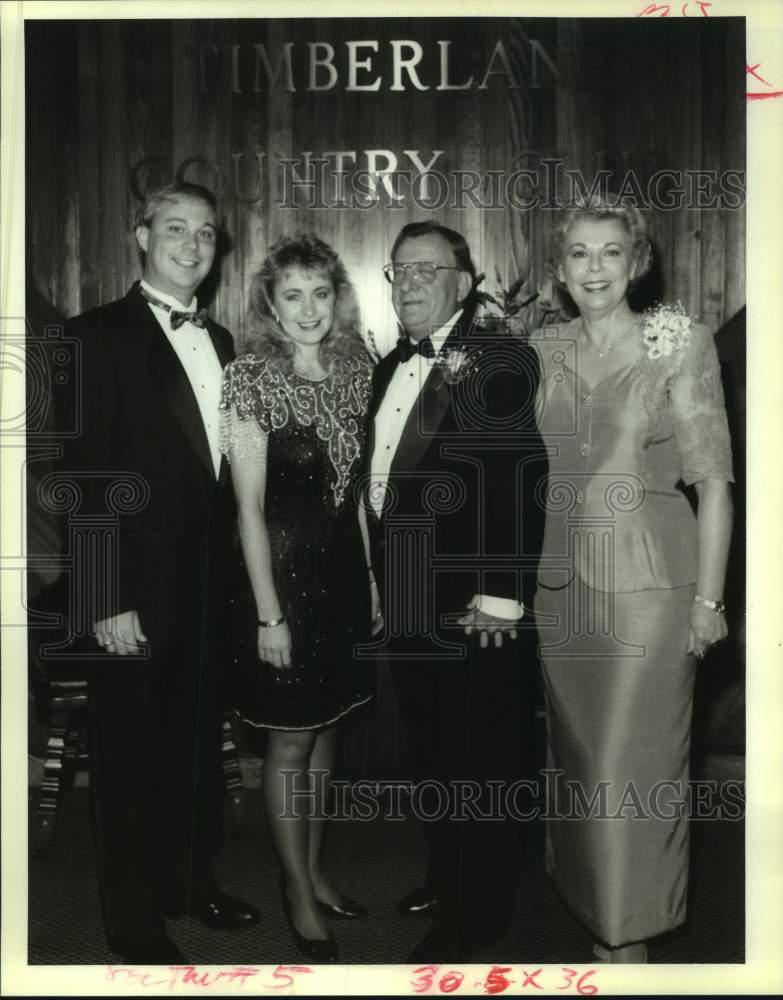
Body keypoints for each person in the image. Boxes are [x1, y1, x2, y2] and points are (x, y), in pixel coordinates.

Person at [57, 181, 260, 964]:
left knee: (195, 743)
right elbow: (82, 477)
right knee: (129, 753)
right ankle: (134, 920)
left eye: (206, 233)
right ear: (140, 236)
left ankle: (190, 883)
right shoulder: (94, 334)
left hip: (211, 589)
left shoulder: (226, 342)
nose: (192, 244)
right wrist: (105, 597)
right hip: (132, 592)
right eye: (175, 228)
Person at [531, 196, 733, 963]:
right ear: (558, 269)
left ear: (636, 262)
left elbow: (712, 483)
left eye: (610, 252)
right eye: (578, 253)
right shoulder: (541, 347)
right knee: (579, 770)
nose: (593, 268)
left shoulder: (676, 341)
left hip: (649, 593)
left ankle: (632, 944)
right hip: (561, 594)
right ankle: (600, 937)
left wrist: (709, 600)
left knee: (628, 771)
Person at [365, 221, 546, 962]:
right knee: (435, 752)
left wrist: (502, 595)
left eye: (427, 270)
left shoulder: (499, 358)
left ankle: (476, 919)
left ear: (464, 284)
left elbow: (520, 480)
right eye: (399, 270)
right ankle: (447, 875)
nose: (410, 282)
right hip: (407, 596)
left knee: (481, 762)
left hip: (473, 606)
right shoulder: (389, 367)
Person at [218, 234, 376, 963]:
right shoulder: (248, 378)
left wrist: (371, 578)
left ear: (336, 296)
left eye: (320, 292)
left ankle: (311, 868)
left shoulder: (356, 365)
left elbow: (359, 497)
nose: (309, 309)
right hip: (280, 574)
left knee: (328, 729)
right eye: (292, 295)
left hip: (343, 572)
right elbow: (246, 508)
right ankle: (296, 893)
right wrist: (267, 613)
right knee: (288, 738)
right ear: (269, 304)